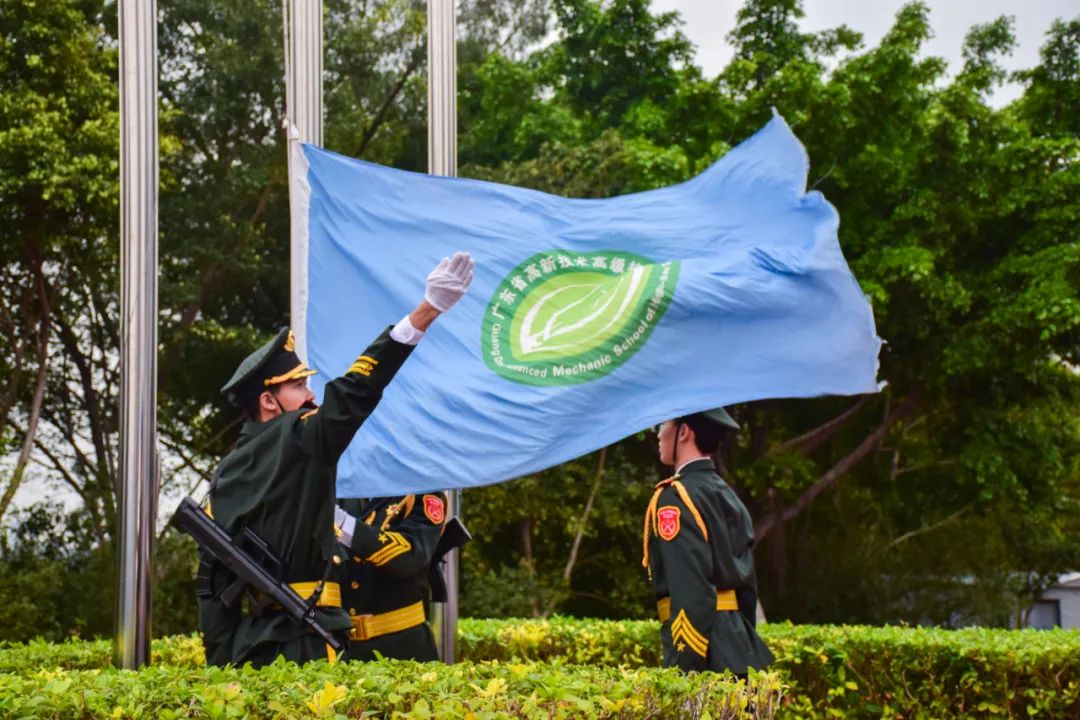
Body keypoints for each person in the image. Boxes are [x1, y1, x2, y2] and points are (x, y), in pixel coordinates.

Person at [197, 252, 474, 668]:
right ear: (269, 401)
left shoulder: (225, 477)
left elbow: (212, 588)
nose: (311, 396)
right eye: (298, 387)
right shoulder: (299, 441)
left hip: (254, 657)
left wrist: (220, 672)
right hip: (310, 646)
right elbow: (354, 391)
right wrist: (423, 313)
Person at [642, 408, 774, 675]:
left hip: (704, 658)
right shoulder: (728, 495)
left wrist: (685, 669)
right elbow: (747, 590)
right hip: (740, 649)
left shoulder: (674, 498)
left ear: (684, 432)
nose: (658, 434)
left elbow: (691, 589)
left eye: (663, 424)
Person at [331, 492, 449, 661]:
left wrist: (345, 525)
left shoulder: (424, 493)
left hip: (402, 649)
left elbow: (409, 557)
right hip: (346, 649)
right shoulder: (345, 492)